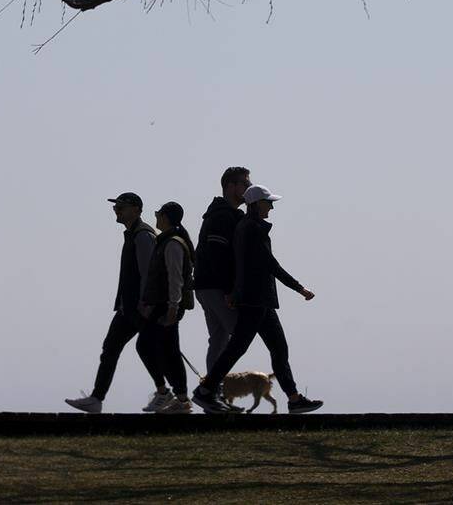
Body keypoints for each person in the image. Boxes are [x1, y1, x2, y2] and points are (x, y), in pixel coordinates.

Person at [192, 185, 322, 414]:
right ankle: (205, 390)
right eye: (268, 202)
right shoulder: (251, 228)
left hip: (260, 299)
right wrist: (299, 287)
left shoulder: (248, 226)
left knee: (275, 349)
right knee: (240, 347)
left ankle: (293, 399)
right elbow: (270, 264)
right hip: (255, 299)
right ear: (256, 204)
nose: (271, 206)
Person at [64, 192, 159, 413]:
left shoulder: (143, 235)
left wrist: (146, 304)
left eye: (122, 207)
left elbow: (148, 273)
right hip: (129, 307)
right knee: (114, 348)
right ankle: (97, 398)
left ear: (136, 209)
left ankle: (168, 392)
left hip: (139, 307)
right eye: (116, 207)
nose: (117, 210)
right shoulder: (133, 234)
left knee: (149, 350)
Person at [137, 201, 196, 414]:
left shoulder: (172, 243)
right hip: (162, 305)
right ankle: (176, 397)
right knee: (165, 350)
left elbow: (175, 278)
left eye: (157, 214)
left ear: (165, 217)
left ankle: (176, 398)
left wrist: (172, 307)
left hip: (167, 306)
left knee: (158, 349)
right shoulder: (167, 241)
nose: (156, 217)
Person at [195, 167, 251, 370]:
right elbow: (217, 255)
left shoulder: (225, 214)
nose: (249, 187)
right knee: (240, 334)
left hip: (206, 285)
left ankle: (211, 389)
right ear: (230, 186)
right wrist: (228, 290)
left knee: (219, 339)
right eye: (245, 183)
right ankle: (210, 388)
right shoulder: (222, 216)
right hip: (215, 287)